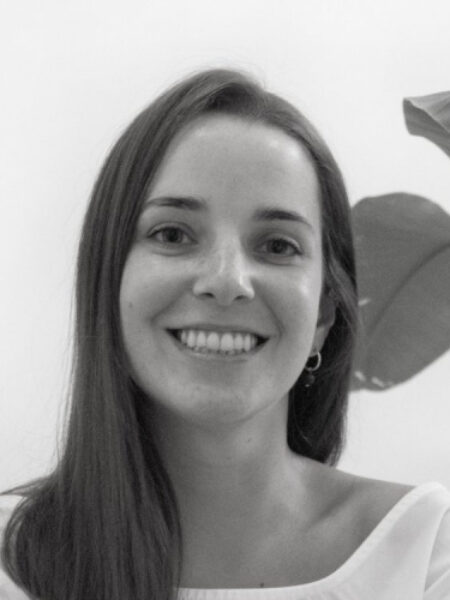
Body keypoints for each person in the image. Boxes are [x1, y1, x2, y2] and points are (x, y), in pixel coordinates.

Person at [1, 68, 449, 600]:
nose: (227, 280)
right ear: (108, 281)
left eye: (277, 245)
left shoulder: (427, 551)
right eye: (173, 234)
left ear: (324, 316)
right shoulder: (10, 564)